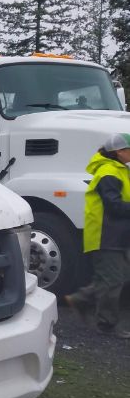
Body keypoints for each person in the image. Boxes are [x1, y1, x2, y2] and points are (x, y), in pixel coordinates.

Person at [64, 133, 130, 338]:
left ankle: (81, 299)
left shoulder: (118, 170)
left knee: (115, 277)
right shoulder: (109, 172)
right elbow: (114, 206)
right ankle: (106, 324)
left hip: (114, 235)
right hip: (106, 234)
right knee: (112, 280)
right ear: (119, 151)